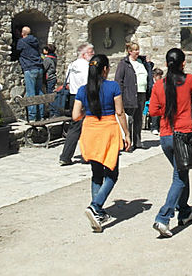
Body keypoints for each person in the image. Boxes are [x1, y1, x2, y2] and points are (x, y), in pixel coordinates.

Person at [148, 48, 192, 238]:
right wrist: (188, 100)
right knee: (179, 177)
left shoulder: (159, 85)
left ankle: (184, 212)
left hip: (166, 135)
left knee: (182, 171)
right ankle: (163, 217)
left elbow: (153, 111)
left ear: (166, 64)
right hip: (183, 134)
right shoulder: (188, 80)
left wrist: (168, 108)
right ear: (183, 63)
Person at [73, 54, 130, 232]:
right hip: (108, 130)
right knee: (112, 173)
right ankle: (95, 206)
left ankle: (97, 214)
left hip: (90, 130)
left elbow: (75, 115)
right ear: (105, 69)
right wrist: (127, 134)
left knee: (96, 173)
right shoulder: (113, 87)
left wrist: (87, 112)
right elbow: (120, 112)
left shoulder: (83, 90)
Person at [59, 43, 94, 166]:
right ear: (84, 54)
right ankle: (86, 155)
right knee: (85, 126)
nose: (93, 54)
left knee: (75, 126)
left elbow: (68, 83)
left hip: (73, 97)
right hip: (84, 96)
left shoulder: (72, 65)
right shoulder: (87, 66)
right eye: (91, 52)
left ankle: (66, 155)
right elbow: (88, 83)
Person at [114, 41, 154, 150]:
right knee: (130, 118)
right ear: (129, 51)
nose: (137, 52)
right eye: (135, 50)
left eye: (138, 50)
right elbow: (119, 80)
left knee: (138, 118)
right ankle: (128, 142)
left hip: (142, 93)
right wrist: (120, 95)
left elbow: (149, 72)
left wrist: (148, 64)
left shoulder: (142, 62)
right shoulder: (124, 63)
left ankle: (138, 142)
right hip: (130, 93)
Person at [15, 26, 45, 121]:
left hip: (29, 67)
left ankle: (32, 116)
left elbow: (17, 51)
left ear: (22, 33)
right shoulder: (35, 40)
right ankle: (41, 115)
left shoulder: (22, 41)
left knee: (31, 92)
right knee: (39, 91)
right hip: (39, 67)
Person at [42, 43, 59, 118]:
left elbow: (44, 68)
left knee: (50, 95)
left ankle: (53, 112)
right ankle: (53, 112)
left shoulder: (47, 59)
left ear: (47, 51)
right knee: (51, 94)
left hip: (49, 78)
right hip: (53, 78)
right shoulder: (54, 57)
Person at [149, 67, 164, 135]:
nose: (160, 77)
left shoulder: (162, 83)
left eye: (161, 76)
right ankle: (154, 127)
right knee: (155, 108)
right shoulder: (151, 83)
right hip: (152, 100)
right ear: (154, 76)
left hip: (160, 100)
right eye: (159, 76)